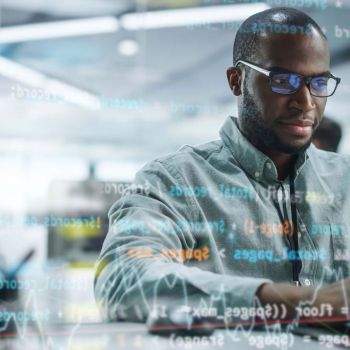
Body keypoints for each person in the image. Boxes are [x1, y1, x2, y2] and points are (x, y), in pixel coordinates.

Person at [95, 7, 350, 325]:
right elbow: (123, 282)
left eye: (319, 83)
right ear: (237, 80)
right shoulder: (174, 182)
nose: (306, 101)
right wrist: (305, 303)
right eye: (284, 81)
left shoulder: (345, 180)